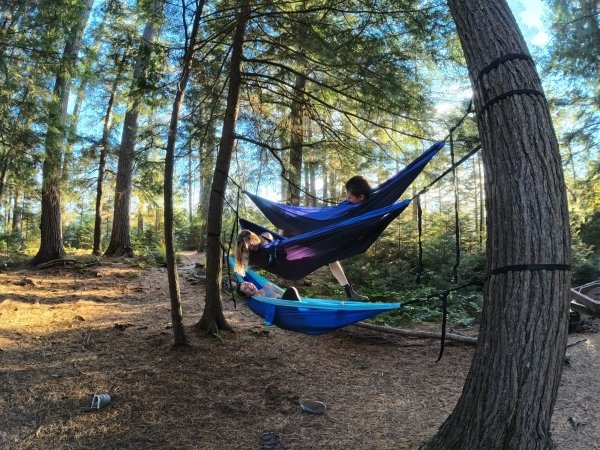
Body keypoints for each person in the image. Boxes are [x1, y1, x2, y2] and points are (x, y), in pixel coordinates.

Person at [234, 175, 372, 302]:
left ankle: (348, 291)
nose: (253, 247)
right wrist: (245, 250)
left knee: (331, 256)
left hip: (296, 250)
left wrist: (263, 243)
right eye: (249, 248)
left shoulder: (265, 237)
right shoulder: (253, 255)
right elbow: (243, 262)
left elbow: (268, 238)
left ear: (254, 237)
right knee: (330, 256)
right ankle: (348, 292)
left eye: (252, 243)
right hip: (291, 262)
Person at [236, 280, 301, 301]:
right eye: (245, 288)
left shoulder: (268, 286)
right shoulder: (257, 300)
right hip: (283, 308)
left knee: (291, 290)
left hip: (289, 300)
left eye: (247, 283)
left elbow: (283, 292)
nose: (248, 286)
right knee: (292, 290)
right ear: (247, 295)